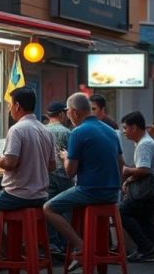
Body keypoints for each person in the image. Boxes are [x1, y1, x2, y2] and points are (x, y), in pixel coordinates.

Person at [44, 92, 124, 261]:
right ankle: (92, 251)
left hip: (90, 192)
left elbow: (70, 172)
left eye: (68, 112)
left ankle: (83, 248)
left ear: (74, 112)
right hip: (113, 194)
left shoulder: (78, 132)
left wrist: (65, 157)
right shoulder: (110, 131)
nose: (68, 116)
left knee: (48, 208)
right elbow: (121, 164)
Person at [0, 88, 56, 246]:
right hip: (40, 195)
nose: (9, 110)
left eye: (10, 105)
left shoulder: (17, 129)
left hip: (18, 194)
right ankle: (19, 249)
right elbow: (52, 166)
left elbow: (9, 164)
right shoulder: (45, 130)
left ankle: (8, 250)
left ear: (17, 106)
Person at [120, 111, 154, 262]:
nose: (124, 131)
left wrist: (126, 171)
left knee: (122, 211)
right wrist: (129, 179)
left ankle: (147, 249)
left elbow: (144, 170)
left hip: (150, 191)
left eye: (125, 128)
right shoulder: (144, 141)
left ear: (134, 127)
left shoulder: (144, 144)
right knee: (142, 216)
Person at [43, 101, 73, 252]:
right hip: (64, 176)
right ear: (61, 114)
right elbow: (72, 156)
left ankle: (53, 244)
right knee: (65, 210)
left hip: (46, 175)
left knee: (49, 208)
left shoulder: (41, 131)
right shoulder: (67, 132)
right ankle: (67, 244)